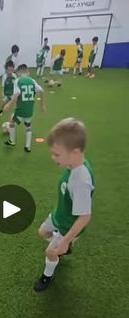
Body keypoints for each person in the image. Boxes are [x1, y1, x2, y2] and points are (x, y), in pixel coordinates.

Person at [34, 118, 95, 292]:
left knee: (50, 253)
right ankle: (63, 248)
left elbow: (85, 216)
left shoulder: (81, 180)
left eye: (57, 154)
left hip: (68, 225)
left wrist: (66, 239)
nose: (53, 158)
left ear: (75, 152)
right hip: (59, 215)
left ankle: (47, 275)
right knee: (42, 232)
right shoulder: (73, 164)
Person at [3, 64, 46, 152]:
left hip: (21, 109)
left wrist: (8, 105)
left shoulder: (18, 81)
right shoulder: (32, 81)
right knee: (28, 126)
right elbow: (42, 91)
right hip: (30, 109)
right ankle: (27, 147)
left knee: (11, 120)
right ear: (28, 72)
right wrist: (42, 105)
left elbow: (16, 95)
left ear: (18, 73)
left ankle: (12, 141)